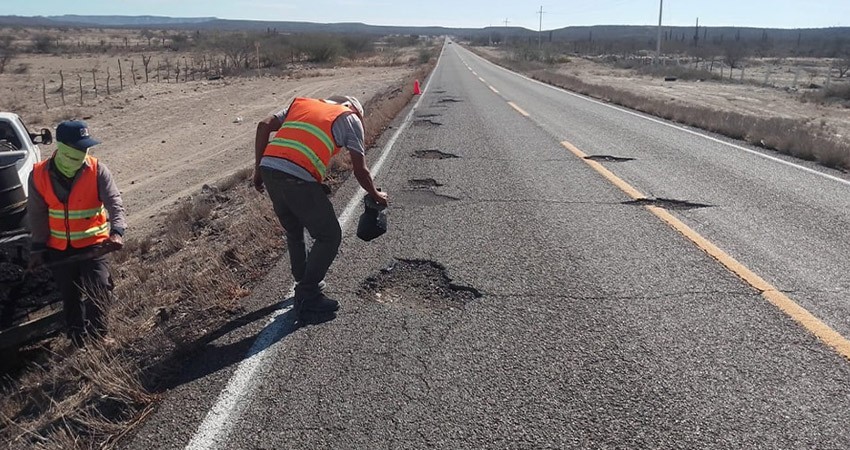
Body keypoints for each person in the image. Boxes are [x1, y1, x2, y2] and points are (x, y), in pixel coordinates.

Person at [253, 96, 388, 323]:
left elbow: (263, 125)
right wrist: (376, 195)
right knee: (329, 235)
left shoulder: (303, 104)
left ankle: (302, 280)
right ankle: (308, 295)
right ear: (355, 110)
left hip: (270, 169)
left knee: (294, 230)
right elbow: (360, 170)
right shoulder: (351, 118)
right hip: (297, 177)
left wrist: (258, 170)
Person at [27, 120, 126, 346]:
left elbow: (115, 203)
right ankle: (77, 340)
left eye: (85, 148)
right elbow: (37, 215)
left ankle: (99, 337)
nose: (83, 152)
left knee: (99, 288)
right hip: (59, 249)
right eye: (77, 148)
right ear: (62, 147)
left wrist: (117, 231)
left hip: (94, 245)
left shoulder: (97, 169)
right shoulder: (38, 175)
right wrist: (38, 248)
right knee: (69, 297)